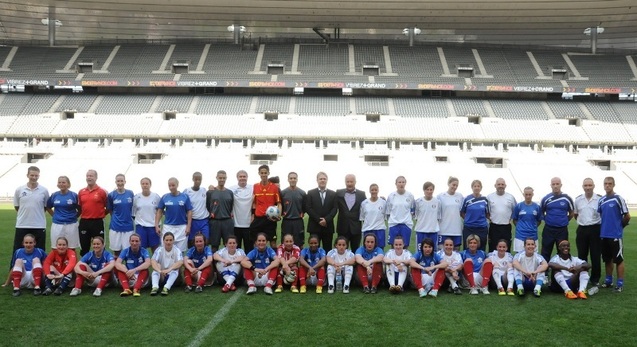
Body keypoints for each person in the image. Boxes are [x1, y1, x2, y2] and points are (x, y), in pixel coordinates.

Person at [597, 176, 631, 292]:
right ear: (603, 185)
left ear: (613, 185)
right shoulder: (601, 200)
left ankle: (620, 284)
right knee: (607, 259)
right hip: (604, 235)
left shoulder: (618, 198)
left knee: (619, 260)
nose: (607, 185)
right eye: (605, 183)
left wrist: (620, 227)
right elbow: (601, 216)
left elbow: (627, 216)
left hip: (615, 235)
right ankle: (608, 281)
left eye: (610, 183)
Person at [13, 166, 49, 260]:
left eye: (36, 175)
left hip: (39, 225)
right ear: (27, 175)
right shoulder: (19, 190)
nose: (34, 177)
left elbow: (45, 207)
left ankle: (40, 272)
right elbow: (17, 207)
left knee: (40, 251)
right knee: (18, 250)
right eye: (32, 175)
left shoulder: (44, 191)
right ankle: (15, 272)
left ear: (39, 176)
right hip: (22, 225)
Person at [573, 178, 601, 293]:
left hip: (595, 229)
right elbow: (575, 214)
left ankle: (595, 279)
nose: (588, 187)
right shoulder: (578, 200)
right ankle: (583, 276)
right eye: (586, 185)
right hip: (582, 229)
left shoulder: (599, 199)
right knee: (582, 255)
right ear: (583, 186)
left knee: (595, 255)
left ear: (593, 186)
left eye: (590, 185)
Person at [539, 177, 574, 262]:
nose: (555, 186)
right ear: (550, 185)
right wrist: (548, 220)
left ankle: (561, 270)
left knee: (563, 251)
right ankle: (545, 272)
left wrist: (564, 221)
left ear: (561, 185)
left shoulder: (567, 198)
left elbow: (571, 213)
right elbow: (541, 212)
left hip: (562, 230)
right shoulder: (546, 198)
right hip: (549, 229)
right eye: (553, 184)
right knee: (545, 251)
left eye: (557, 184)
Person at [155, 177, 193, 252]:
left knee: (180, 251)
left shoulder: (184, 197)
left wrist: (188, 226)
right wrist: (156, 225)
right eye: (169, 186)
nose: (171, 187)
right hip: (168, 227)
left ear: (177, 185)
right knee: (166, 250)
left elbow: (189, 211)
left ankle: (179, 263)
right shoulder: (165, 197)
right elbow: (159, 211)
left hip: (181, 227)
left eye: (173, 185)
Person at [249, 165, 282, 249]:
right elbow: (253, 203)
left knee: (273, 242)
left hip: (270, 219)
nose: (264, 175)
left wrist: (278, 215)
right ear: (259, 174)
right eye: (262, 173)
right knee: (255, 242)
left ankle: (275, 261)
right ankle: (256, 260)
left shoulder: (274, 187)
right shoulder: (255, 186)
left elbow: (279, 203)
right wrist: (252, 215)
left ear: (268, 173)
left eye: (265, 173)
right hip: (258, 218)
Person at [78, 169, 108, 256]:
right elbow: (80, 207)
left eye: (91, 176)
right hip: (84, 222)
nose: (89, 177)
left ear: (96, 177)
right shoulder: (81, 192)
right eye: (87, 176)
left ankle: (101, 266)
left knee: (100, 246)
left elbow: (108, 207)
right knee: (84, 246)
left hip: (97, 222)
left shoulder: (102, 191)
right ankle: (84, 266)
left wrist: (100, 215)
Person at [305, 171, 337, 252]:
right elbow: (308, 208)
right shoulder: (310, 193)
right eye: (320, 179)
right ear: (317, 180)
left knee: (327, 249)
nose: (322, 180)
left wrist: (326, 220)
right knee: (314, 249)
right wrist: (319, 220)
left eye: (324, 179)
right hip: (314, 226)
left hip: (328, 226)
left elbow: (335, 208)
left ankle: (326, 264)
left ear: (327, 180)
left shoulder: (333, 194)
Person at [46, 176, 80, 250]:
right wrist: (54, 215)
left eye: (63, 182)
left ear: (68, 184)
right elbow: (48, 207)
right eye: (59, 182)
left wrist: (74, 217)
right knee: (55, 247)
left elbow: (80, 209)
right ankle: (57, 262)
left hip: (71, 225)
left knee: (71, 247)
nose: (61, 184)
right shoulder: (54, 195)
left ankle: (72, 261)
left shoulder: (74, 195)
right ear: (57, 184)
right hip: (57, 224)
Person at [335, 174, 367, 251]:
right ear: (345, 182)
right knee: (341, 250)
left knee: (355, 250)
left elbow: (366, 208)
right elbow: (333, 207)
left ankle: (354, 263)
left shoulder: (361, 194)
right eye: (347, 182)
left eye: (351, 182)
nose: (349, 184)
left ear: (355, 182)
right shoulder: (339, 193)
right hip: (342, 227)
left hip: (355, 227)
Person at [107, 174, 135, 257]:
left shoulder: (130, 193)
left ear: (125, 182)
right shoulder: (111, 195)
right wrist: (116, 219)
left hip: (128, 227)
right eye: (118, 181)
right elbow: (110, 210)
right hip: (115, 227)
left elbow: (133, 208)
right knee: (116, 251)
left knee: (128, 251)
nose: (120, 183)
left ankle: (127, 269)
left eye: (121, 181)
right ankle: (116, 269)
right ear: (115, 182)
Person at [114, 233, 151, 297]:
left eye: (137, 241)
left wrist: (134, 270)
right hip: (129, 277)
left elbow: (148, 263)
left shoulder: (144, 251)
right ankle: (126, 289)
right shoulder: (125, 251)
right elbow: (117, 263)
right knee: (121, 267)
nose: (134, 243)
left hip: (141, 279)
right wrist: (127, 272)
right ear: (129, 241)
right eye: (132, 241)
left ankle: (136, 289)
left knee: (145, 268)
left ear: (140, 242)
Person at [207, 170, 235, 252]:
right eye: (220, 178)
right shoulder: (210, 192)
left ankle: (229, 263)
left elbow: (231, 206)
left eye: (223, 178)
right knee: (214, 246)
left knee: (230, 245)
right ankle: (214, 264)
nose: (222, 180)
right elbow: (208, 206)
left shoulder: (230, 192)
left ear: (226, 178)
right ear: (217, 178)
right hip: (215, 222)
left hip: (227, 221)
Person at [486, 178, 516, 252]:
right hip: (494, 227)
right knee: (493, 248)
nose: (500, 186)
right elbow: (486, 211)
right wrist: (491, 218)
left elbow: (515, 210)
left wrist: (510, 219)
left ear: (505, 186)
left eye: (502, 184)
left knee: (506, 247)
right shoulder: (489, 197)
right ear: (495, 185)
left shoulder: (511, 197)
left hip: (506, 227)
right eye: (498, 184)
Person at [386, 176, 415, 249]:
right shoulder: (391, 196)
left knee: (405, 247)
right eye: (399, 182)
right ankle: (392, 260)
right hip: (394, 224)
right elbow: (388, 212)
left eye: (403, 182)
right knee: (393, 247)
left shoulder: (410, 195)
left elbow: (413, 209)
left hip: (406, 224)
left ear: (405, 183)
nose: (401, 184)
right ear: (396, 184)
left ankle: (404, 260)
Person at [133, 177, 162, 251]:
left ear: (150, 185)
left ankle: (154, 262)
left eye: (146, 184)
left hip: (153, 226)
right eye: (143, 184)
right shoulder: (136, 197)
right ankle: (143, 262)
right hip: (141, 226)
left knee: (155, 249)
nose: (145, 185)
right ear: (141, 185)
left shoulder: (156, 196)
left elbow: (160, 211)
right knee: (141, 248)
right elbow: (133, 212)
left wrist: (157, 225)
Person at [460, 180, 490, 251]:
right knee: (468, 247)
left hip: (481, 228)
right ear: (472, 187)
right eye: (475, 186)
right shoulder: (467, 199)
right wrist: (468, 219)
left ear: (481, 188)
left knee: (481, 248)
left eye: (478, 186)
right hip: (469, 228)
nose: (476, 188)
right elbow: (462, 212)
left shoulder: (484, 200)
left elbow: (487, 213)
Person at [511, 187, 543, 253]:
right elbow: (514, 219)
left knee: (533, 256)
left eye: (529, 194)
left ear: (532, 194)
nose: (528, 196)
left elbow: (539, 220)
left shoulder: (537, 207)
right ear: (523, 194)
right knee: (519, 256)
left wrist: (532, 227)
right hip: (520, 235)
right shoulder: (518, 206)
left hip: (533, 235)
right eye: (526, 194)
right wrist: (521, 227)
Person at [184, 172, 210, 248]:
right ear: (193, 179)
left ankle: (205, 258)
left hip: (204, 220)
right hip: (193, 220)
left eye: (199, 179)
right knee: (192, 242)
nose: (198, 181)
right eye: (196, 179)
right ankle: (191, 258)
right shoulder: (187, 191)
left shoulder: (204, 190)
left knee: (206, 241)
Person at [281, 172, 307, 247]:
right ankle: (286, 258)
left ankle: (298, 258)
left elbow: (305, 207)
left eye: (294, 178)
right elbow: (280, 206)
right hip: (287, 221)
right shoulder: (283, 193)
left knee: (299, 242)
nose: (293, 180)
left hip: (298, 221)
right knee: (286, 242)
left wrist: (302, 213)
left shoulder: (302, 193)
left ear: (297, 179)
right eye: (291, 178)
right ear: (288, 180)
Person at [229, 170, 253, 252]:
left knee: (249, 248)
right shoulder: (231, 189)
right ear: (237, 178)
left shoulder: (252, 188)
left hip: (249, 224)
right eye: (240, 176)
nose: (242, 178)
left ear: (247, 177)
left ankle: (248, 264)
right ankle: (237, 264)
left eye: (244, 176)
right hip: (236, 225)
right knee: (236, 249)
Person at [437, 176, 463, 250]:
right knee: (442, 253)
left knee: (455, 253)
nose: (455, 187)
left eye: (456, 185)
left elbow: (462, 212)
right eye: (453, 185)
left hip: (456, 230)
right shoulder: (440, 196)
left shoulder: (460, 196)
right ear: (448, 184)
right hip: (443, 230)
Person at [414, 181, 440, 251]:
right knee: (420, 251)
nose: (429, 191)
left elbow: (438, 217)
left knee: (433, 251)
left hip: (433, 231)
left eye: (431, 190)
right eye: (427, 189)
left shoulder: (437, 202)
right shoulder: (418, 202)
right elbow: (416, 217)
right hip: (421, 230)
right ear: (424, 190)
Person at [360, 183, 387, 249]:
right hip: (368, 229)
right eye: (372, 190)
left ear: (378, 190)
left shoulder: (383, 202)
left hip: (379, 229)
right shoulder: (364, 203)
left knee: (380, 249)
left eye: (375, 190)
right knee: (367, 249)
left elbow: (385, 216)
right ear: (369, 191)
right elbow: (362, 217)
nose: (374, 191)